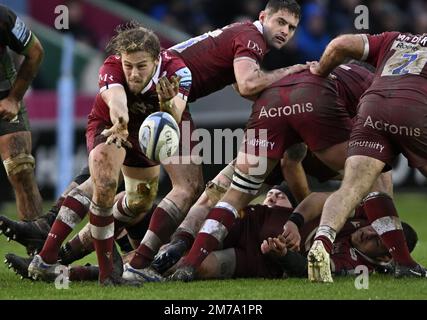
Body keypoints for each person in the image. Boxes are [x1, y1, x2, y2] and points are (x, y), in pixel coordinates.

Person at [123, 0, 306, 276]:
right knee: (187, 188)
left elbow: (240, 85)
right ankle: (138, 263)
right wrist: (291, 72)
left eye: (292, 27)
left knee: (130, 191)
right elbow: (246, 84)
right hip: (166, 94)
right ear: (263, 17)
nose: (285, 31)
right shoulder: (252, 39)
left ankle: (71, 251)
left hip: (154, 91)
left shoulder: (243, 34)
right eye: (280, 22)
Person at [168, 61, 376, 281]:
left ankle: (164, 252)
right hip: (283, 157)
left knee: (219, 199)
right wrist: (300, 219)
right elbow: (292, 162)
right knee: (368, 174)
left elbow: (249, 90)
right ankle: (172, 247)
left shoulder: (316, 81)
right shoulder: (349, 105)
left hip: (276, 144)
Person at [27, 22, 193, 286]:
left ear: (157, 59)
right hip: (111, 125)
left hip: (145, 134)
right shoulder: (111, 67)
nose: (134, 73)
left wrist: (165, 105)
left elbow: (174, 118)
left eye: (141, 66)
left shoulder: (178, 72)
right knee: (104, 182)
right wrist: (121, 122)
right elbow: (116, 101)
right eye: (129, 66)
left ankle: (51, 258)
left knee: (139, 201)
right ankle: (97, 272)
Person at [306, 31, 427, 282]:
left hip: (372, 107)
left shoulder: (395, 38)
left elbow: (339, 44)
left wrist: (320, 70)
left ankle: (322, 243)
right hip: (415, 110)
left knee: (353, 189)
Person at [0, 5, 44, 220]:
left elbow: (35, 52)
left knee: (21, 167)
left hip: (3, 95)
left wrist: (14, 98)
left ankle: (38, 249)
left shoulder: (3, 16)